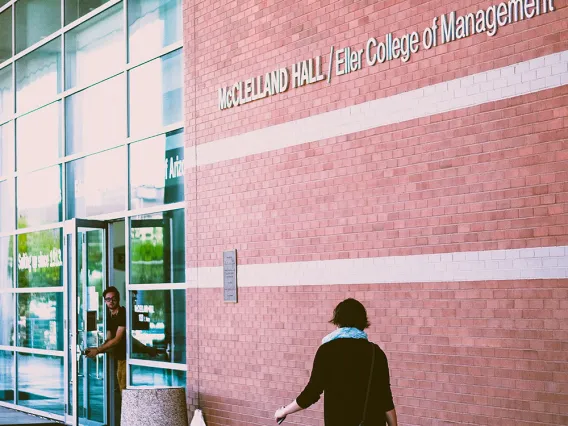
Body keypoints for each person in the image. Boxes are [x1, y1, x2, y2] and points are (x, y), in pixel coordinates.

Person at [274, 298, 398, 426]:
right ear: (363, 322)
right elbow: (385, 398)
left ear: (338, 321)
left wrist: (284, 411)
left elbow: (311, 393)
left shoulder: (327, 350)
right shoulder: (375, 353)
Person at [85, 286, 129, 391]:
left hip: (127, 356)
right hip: (119, 357)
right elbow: (109, 338)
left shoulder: (123, 313)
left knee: (124, 389)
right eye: (108, 299)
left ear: (118, 299)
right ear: (105, 301)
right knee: (121, 387)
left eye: (113, 298)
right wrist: (97, 350)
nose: (111, 301)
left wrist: (98, 350)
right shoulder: (109, 315)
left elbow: (118, 339)